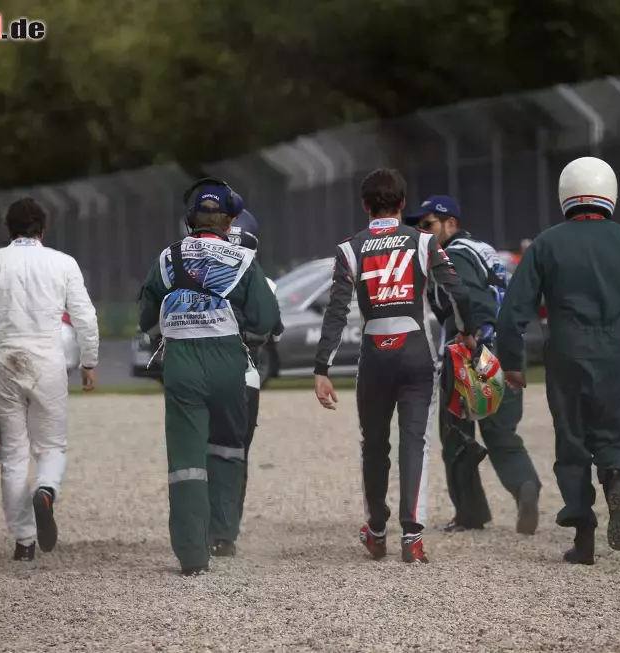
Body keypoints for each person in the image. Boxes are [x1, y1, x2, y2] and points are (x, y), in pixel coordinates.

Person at [496, 157, 620, 565]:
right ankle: (615, 478)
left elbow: (514, 310)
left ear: (564, 195)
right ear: (610, 193)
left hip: (567, 352)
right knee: (616, 432)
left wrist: (512, 361)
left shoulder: (546, 243)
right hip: (615, 352)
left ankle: (583, 537)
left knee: (572, 440)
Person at [313, 168, 477, 564]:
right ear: (403, 204)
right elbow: (458, 291)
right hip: (416, 351)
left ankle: (376, 530)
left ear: (365, 206)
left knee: (374, 445)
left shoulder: (349, 248)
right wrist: (468, 333)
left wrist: (322, 368)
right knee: (415, 442)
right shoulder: (423, 241)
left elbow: (336, 312)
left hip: (374, 355)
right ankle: (412, 536)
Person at [138, 179, 280, 575]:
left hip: (181, 365)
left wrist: (164, 332)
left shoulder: (168, 258)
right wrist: (246, 337)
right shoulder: (244, 260)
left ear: (190, 219)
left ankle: (191, 555)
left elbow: (147, 317)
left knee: (186, 461)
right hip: (229, 364)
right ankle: (223, 533)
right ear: (231, 220)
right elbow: (266, 319)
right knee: (229, 449)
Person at [0, 198, 100, 562]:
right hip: (48, 365)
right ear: (43, 229)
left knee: (14, 457)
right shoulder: (63, 263)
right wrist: (88, 362)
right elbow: (85, 316)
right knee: (51, 446)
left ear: (8, 228)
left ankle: (23, 542)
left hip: (6, 364)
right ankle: (47, 491)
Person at [402, 195, 541, 535]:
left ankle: (470, 512)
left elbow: (473, 301)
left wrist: (476, 344)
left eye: (428, 224)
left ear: (450, 224)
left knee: (457, 437)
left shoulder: (454, 255)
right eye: (417, 226)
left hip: (473, 354)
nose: (421, 231)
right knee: (502, 433)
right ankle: (525, 485)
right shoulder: (484, 250)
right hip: (506, 350)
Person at [227, 210, 286, 528]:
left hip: (200, 373)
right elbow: (275, 331)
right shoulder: (266, 283)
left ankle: (203, 523)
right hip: (244, 375)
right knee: (237, 453)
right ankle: (228, 528)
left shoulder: (198, 272)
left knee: (202, 451)